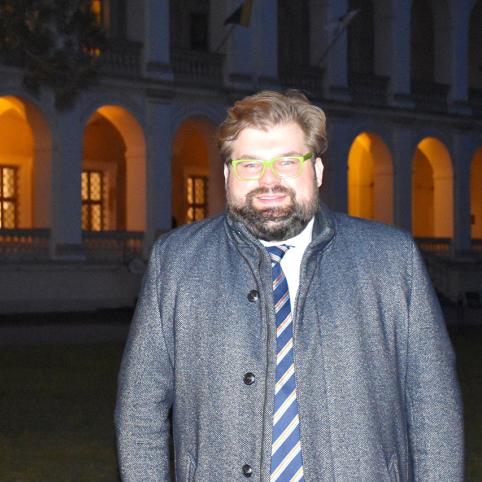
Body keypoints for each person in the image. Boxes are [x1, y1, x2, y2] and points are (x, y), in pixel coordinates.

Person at [115, 90, 463, 481]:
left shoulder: (390, 259)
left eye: (287, 162)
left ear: (316, 171)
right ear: (228, 175)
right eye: (250, 164)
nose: (269, 180)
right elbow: (140, 406)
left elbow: (433, 404)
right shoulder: (178, 261)